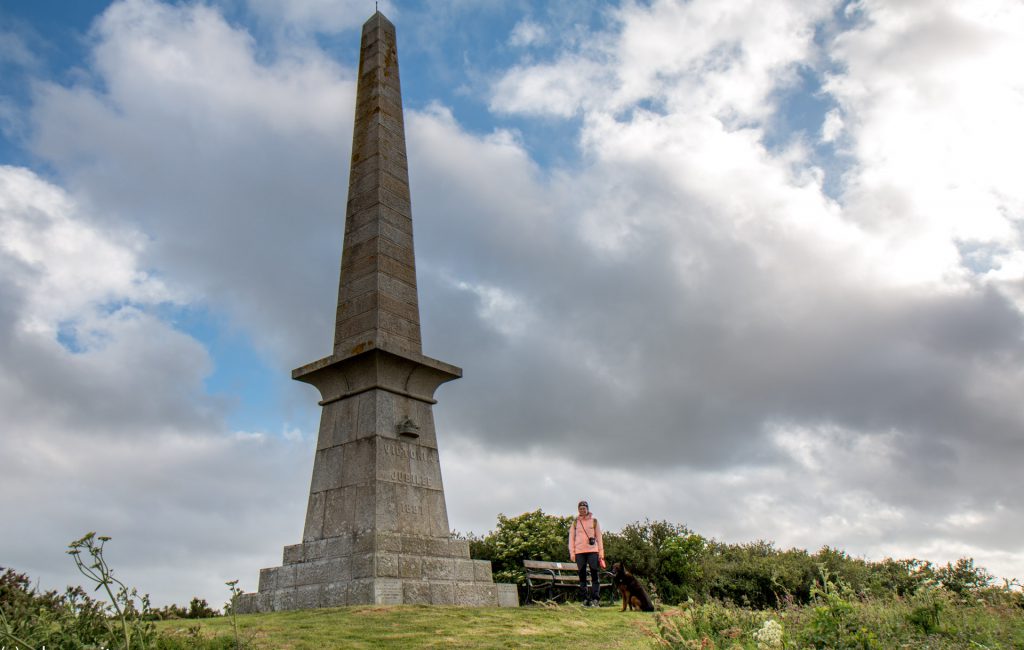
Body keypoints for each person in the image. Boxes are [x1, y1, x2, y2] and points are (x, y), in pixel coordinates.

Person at [568, 499, 605, 607]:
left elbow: (599, 537)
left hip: (593, 551)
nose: (582, 510)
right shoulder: (575, 522)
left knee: (594, 574)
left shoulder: (594, 521)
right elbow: (571, 539)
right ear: (578, 510)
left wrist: (601, 552)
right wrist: (572, 552)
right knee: (582, 576)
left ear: (587, 509)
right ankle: (585, 599)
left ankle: (595, 599)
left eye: (584, 508)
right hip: (579, 552)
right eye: (580, 509)